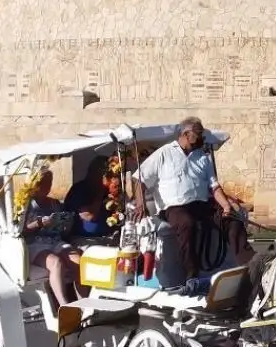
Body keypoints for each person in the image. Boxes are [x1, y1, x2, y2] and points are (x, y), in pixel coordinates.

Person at [131, 117, 253, 282]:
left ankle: (250, 265)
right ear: (186, 134)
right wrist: (140, 204)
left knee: (232, 220)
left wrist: (226, 207)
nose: (201, 138)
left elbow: (214, 187)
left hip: (202, 205)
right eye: (198, 134)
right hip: (174, 208)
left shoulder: (202, 157)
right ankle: (191, 276)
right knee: (187, 223)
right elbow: (140, 179)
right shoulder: (164, 153)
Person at [21, 170, 85, 306]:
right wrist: (39, 223)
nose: (48, 186)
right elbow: (21, 232)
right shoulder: (26, 204)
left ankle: (84, 303)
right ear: (35, 184)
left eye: (49, 182)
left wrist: (66, 224)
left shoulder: (54, 203)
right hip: (35, 244)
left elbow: (63, 233)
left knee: (79, 262)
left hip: (55, 242)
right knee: (56, 263)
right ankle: (64, 305)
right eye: (44, 183)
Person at [63, 156, 112, 239]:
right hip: (82, 238)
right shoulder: (79, 190)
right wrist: (101, 191)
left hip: (108, 236)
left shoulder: (109, 190)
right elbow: (89, 217)